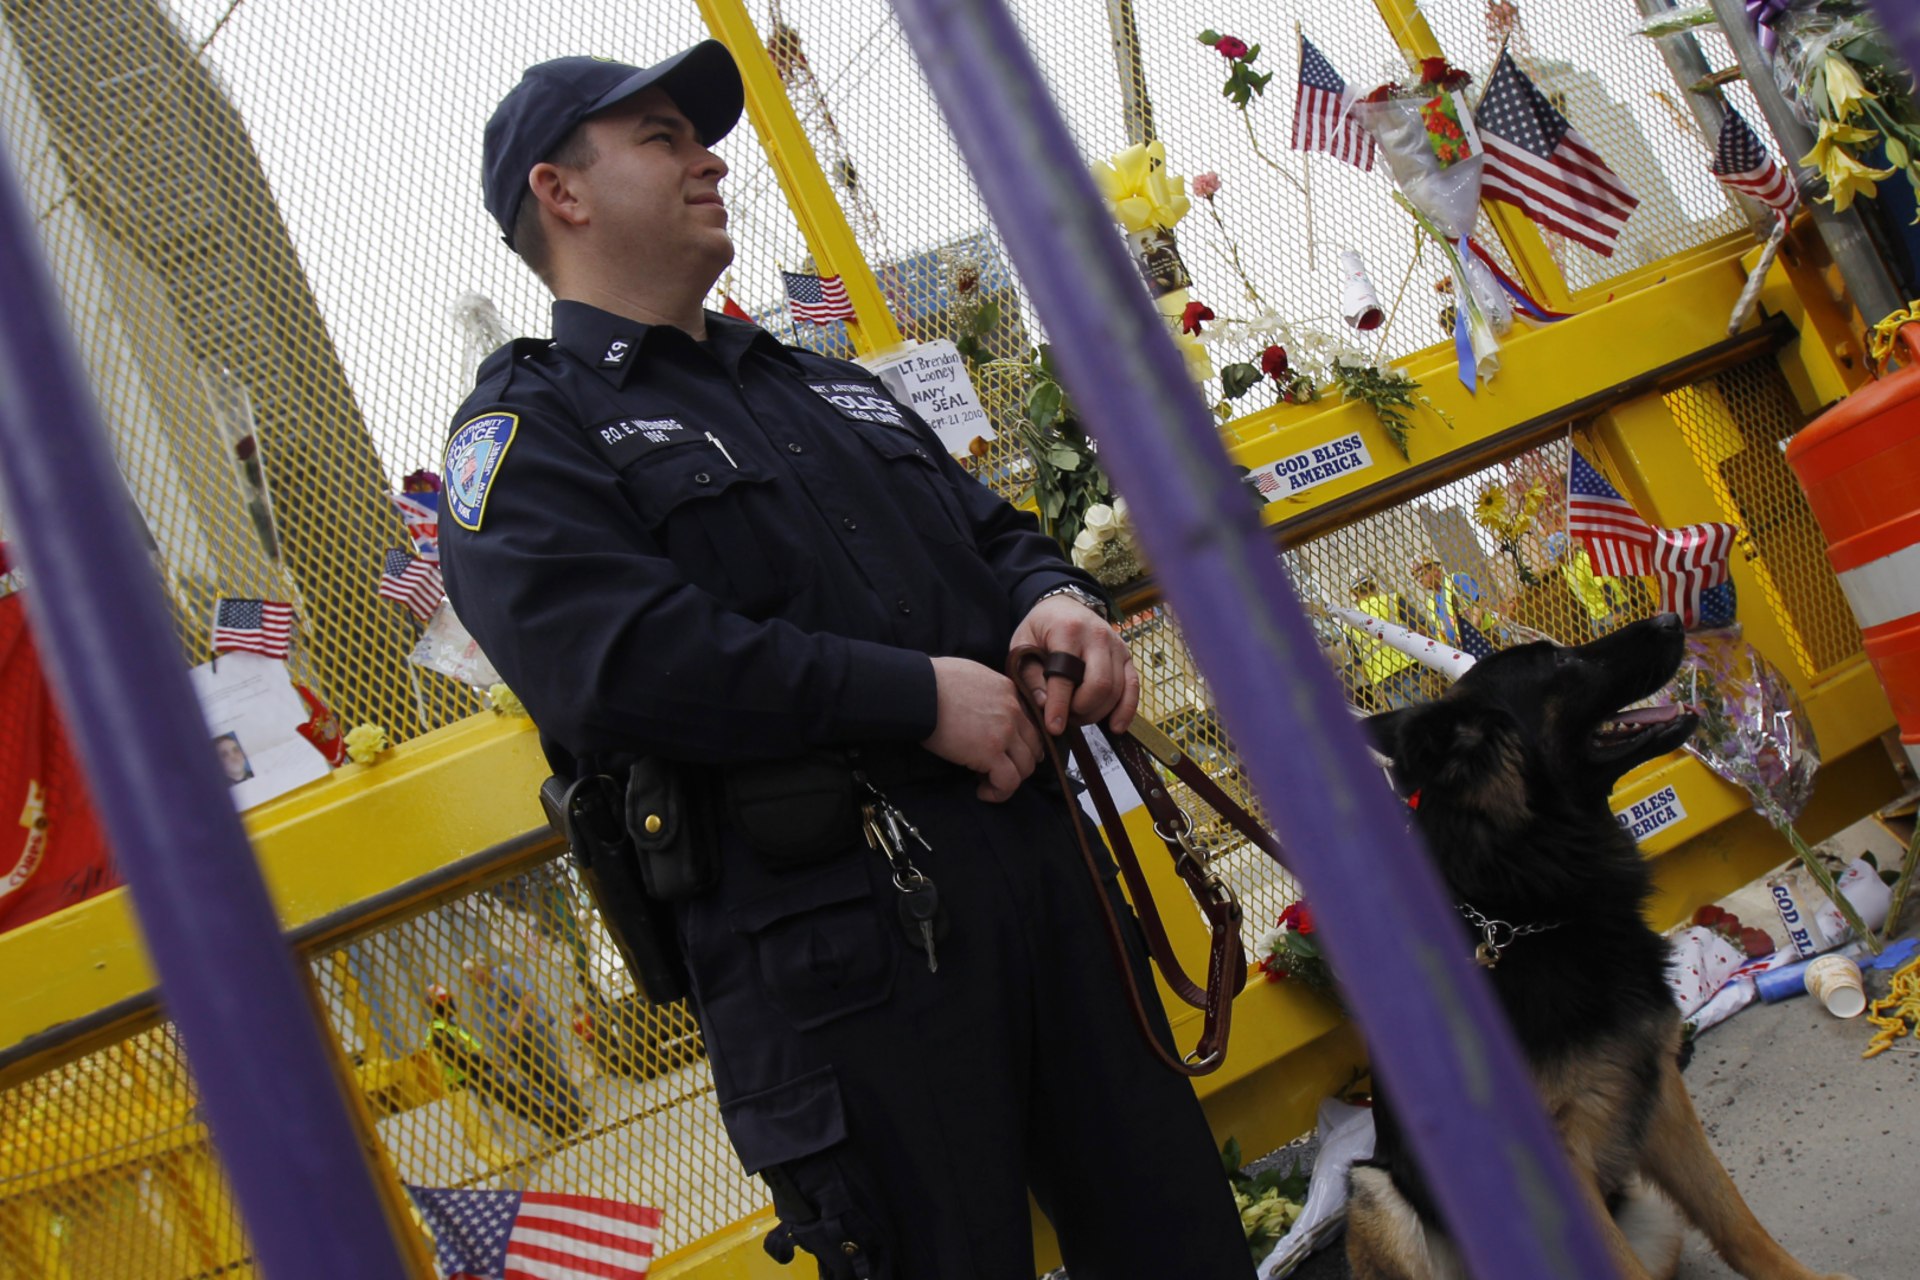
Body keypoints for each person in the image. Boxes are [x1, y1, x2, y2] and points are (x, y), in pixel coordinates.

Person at [436, 43, 1252, 1280]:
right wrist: (917, 696)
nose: (711, 156)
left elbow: (995, 530)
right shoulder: (530, 431)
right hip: (837, 953)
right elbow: (612, 657)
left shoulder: (813, 382)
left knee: (1178, 1236)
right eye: (661, 136)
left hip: (1038, 869)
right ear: (563, 193)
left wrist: (1057, 601)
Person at [423, 984, 579, 1143]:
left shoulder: (448, 1027)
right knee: (519, 1099)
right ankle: (556, 1121)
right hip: (469, 1080)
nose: (452, 1005)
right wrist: (491, 1063)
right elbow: (458, 1058)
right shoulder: (439, 1032)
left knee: (520, 1098)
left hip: (478, 1075)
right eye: (447, 1002)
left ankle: (556, 1122)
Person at [463, 956, 587, 1134]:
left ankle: (575, 1111)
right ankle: (561, 1117)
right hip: (515, 1042)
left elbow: (528, 996)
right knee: (536, 1080)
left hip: (531, 1031)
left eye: (471, 972)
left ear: (481, 968)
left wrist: (516, 1023)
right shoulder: (489, 991)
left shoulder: (505, 975)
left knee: (550, 1071)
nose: (470, 978)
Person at [1340, 565, 1426, 710]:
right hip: (1413, 666)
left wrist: (1374, 686)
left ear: (1353, 594)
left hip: (1384, 680)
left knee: (1409, 721)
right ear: (1374, 585)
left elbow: (1358, 663)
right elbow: (1421, 629)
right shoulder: (1392, 600)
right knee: (1432, 713)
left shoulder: (1350, 623)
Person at [1547, 531, 1627, 637]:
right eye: (1558, 558)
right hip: (1596, 610)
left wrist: (1615, 612)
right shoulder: (1565, 566)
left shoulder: (1585, 560)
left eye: (1561, 556)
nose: (1560, 560)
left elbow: (1605, 585)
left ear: (1569, 548)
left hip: (1611, 605)